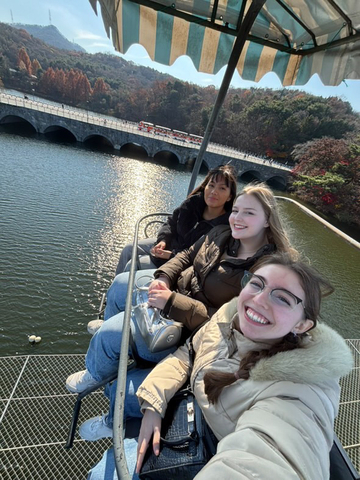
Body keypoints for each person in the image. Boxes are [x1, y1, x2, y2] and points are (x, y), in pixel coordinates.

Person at [86, 252, 354, 479]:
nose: (259, 300)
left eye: (282, 298)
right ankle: (113, 421)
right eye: (258, 284)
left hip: (206, 447)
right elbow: (187, 354)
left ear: (302, 325)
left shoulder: (301, 388)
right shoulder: (230, 315)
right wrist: (154, 404)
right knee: (120, 390)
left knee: (102, 474)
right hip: (190, 399)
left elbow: (273, 455)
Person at [66, 183, 297, 431]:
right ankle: (107, 362)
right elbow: (187, 254)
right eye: (236, 210)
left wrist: (172, 302)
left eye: (249, 213)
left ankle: (102, 382)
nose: (237, 218)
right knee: (123, 283)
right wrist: (164, 277)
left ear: (266, 220)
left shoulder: (263, 273)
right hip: (174, 293)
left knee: (112, 334)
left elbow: (226, 325)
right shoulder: (221, 233)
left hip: (190, 330)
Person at [114, 164, 237, 275]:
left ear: (229, 197)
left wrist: (171, 255)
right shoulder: (193, 204)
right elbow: (171, 222)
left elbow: (204, 258)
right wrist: (163, 240)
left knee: (133, 265)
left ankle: (120, 296)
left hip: (182, 264)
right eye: (211, 185)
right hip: (169, 245)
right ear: (205, 187)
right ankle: (110, 298)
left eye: (222, 188)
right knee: (129, 249)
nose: (214, 192)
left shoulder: (224, 227)